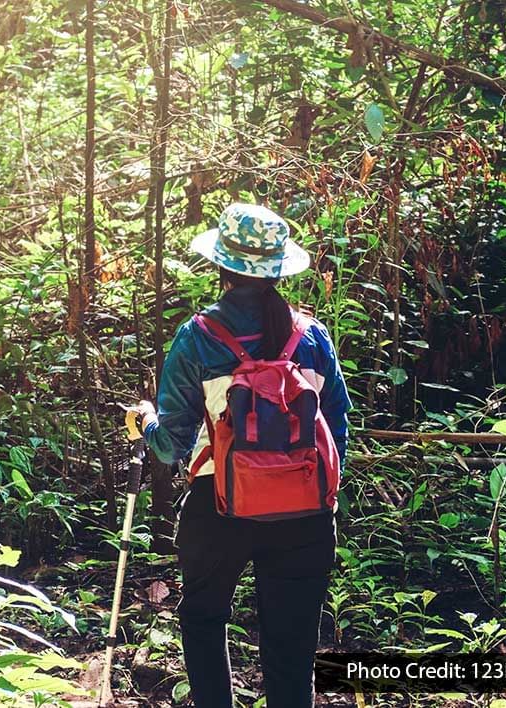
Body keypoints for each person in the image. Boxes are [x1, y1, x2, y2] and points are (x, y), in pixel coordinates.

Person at [125, 203, 351, 708]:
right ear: (278, 269)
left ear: (221, 266)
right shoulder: (311, 337)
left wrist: (144, 419)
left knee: (205, 621)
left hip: (219, 507)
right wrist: (321, 496)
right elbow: (336, 428)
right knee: (292, 646)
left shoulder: (198, 339)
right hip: (307, 511)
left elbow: (172, 446)